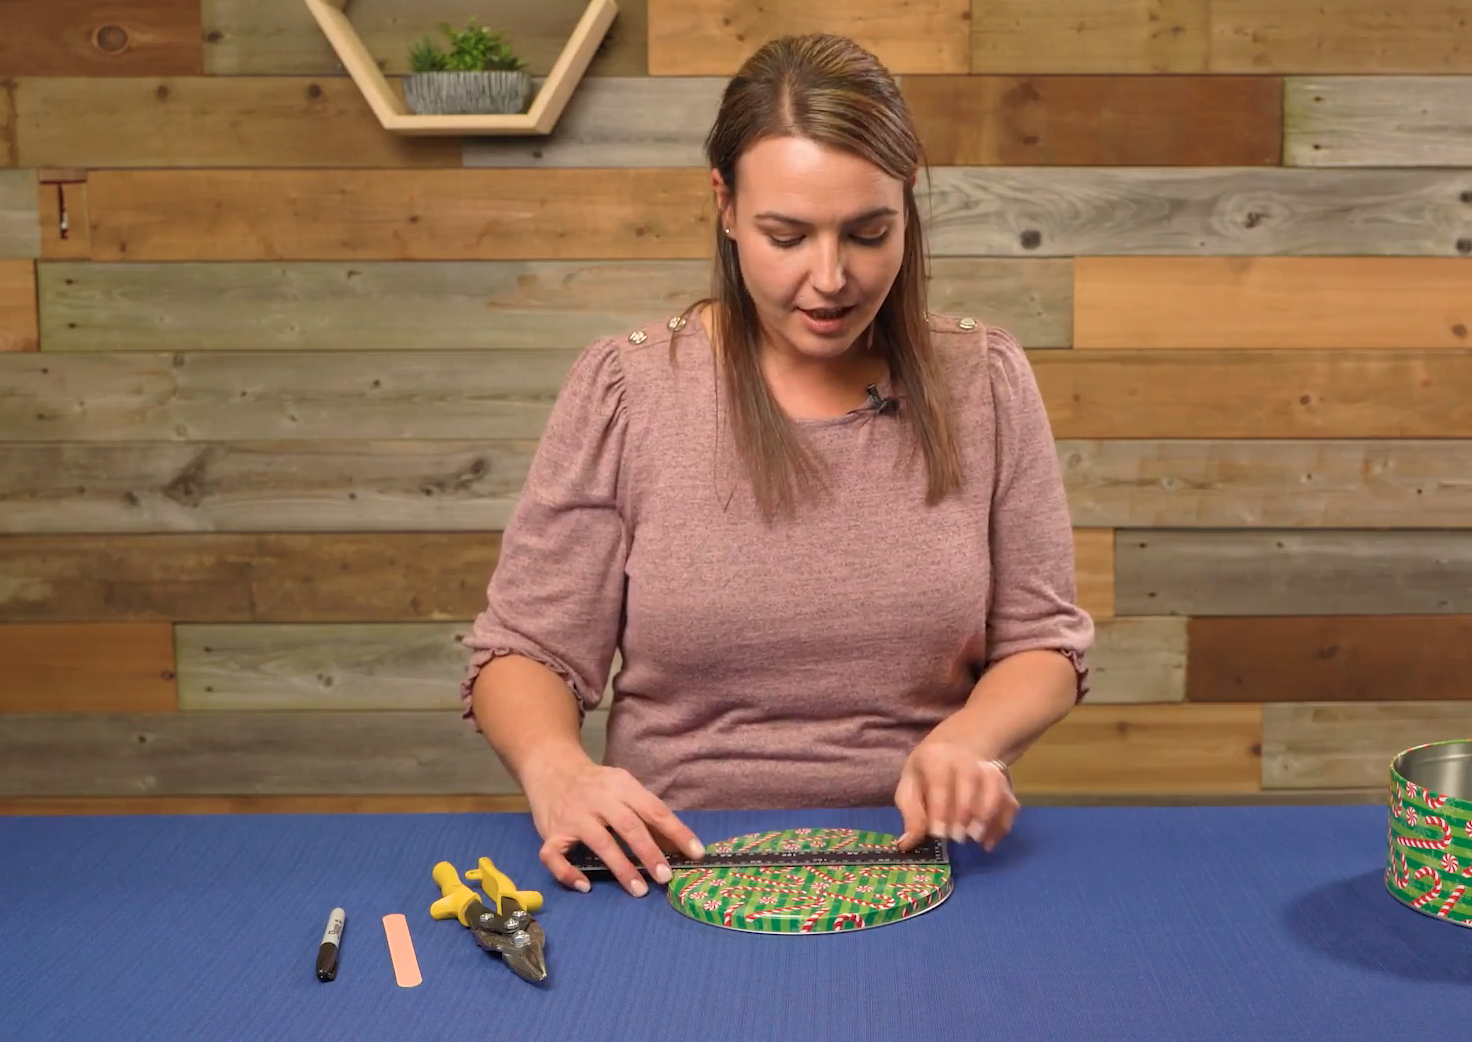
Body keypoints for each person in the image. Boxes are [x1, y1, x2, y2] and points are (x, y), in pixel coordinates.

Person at [457, 32, 1095, 899]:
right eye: (785, 235)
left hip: (921, 860)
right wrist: (555, 769)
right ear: (723, 205)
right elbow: (523, 649)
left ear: (906, 208)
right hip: (668, 864)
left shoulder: (982, 380)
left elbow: (1042, 642)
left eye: (867, 233)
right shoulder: (628, 388)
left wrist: (969, 739)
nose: (828, 278)